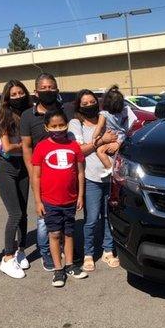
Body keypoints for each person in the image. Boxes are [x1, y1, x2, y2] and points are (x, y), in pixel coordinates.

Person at [69, 89, 124, 272]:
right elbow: (79, 151)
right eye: (84, 104)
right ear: (78, 106)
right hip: (91, 178)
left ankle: (108, 250)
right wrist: (102, 141)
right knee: (91, 219)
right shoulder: (76, 124)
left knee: (109, 216)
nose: (89, 106)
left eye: (92, 101)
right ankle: (89, 253)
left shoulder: (107, 118)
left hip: (111, 178)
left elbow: (122, 133)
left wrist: (118, 142)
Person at [31, 109, 88, 287]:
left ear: (67, 125)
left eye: (61, 125)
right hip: (50, 201)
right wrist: (38, 201)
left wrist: (80, 195)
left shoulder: (74, 146)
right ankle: (58, 269)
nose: (58, 129)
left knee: (69, 233)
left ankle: (70, 265)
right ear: (47, 127)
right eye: (53, 126)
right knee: (54, 234)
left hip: (70, 200)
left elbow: (80, 172)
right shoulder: (41, 147)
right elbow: (36, 176)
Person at [20, 72, 64, 271]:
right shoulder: (28, 116)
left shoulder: (63, 112)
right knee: (44, 217)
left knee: (62, 214)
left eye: (51, 87)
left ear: (57, 89)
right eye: (44, 88)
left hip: (62, 173)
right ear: (36, 91)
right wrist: (31, 173)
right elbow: (26, 147)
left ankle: (60, 247)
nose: (48, 91)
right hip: (41, 174)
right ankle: (46, 252)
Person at [0, 80, 31, 279]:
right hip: (5, 167)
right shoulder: (3, 116)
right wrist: (26, 146)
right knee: (15, 213)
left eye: (20, 93)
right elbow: (7, 147)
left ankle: (21, 249)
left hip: (24, 167)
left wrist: (26, 147)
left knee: (24, 212)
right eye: (13, 94)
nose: (18, 97)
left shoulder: (28, 114)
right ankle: (7, 258)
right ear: (7, 98)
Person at [91, 85, 136, 177]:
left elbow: (99, 127)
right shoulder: (122, 113)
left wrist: (94, 137)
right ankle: (118, 169)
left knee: (100, 151)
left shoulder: (104, 114)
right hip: (121, 137)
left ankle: (109, 168)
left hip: (111, 136)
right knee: (119, 156)